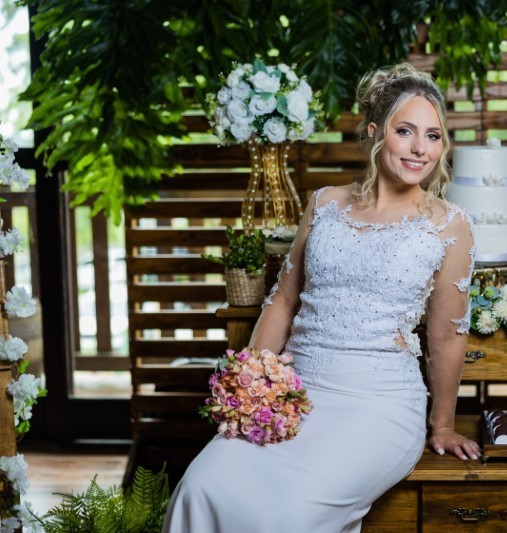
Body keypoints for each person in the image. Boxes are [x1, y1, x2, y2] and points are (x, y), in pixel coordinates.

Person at [163, 62, 480, 532]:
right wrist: (252, 386)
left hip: (379, 407)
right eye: (405, 131)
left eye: (433, 136)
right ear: (375, 133)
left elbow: (447, 336)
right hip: (296, 392)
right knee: (200, 486)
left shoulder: (449, 224)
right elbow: (282, 301)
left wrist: (444, 424)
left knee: (286, 516)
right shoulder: (325, 203)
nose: (420, 149)